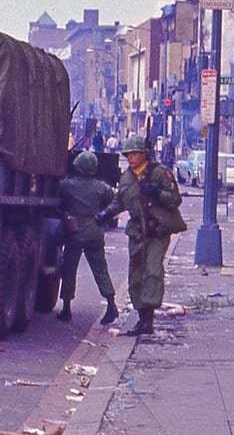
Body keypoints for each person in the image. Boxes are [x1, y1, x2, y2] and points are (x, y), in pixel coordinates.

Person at [99, 134, 184, 336]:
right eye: (128, 154)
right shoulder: (127, 177)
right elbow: (121, 200)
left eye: (135, 154)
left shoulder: (159, 173)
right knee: (135, 274)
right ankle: (140, 314)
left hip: (156, 229)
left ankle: (149, 319)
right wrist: (107, 213)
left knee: (152, 270)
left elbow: (175, 199)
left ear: (144, 154)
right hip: (137, 231)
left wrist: (156, 193)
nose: (131, 158)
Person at [57, 151, 118, 326]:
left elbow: (59, 195)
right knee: (100, 268)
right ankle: (111, 304)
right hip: (94, 228)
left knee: (69, 269)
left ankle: (66, 307)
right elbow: (113, 199)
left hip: (75, 229)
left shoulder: (68, 185)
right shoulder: (100, 187)